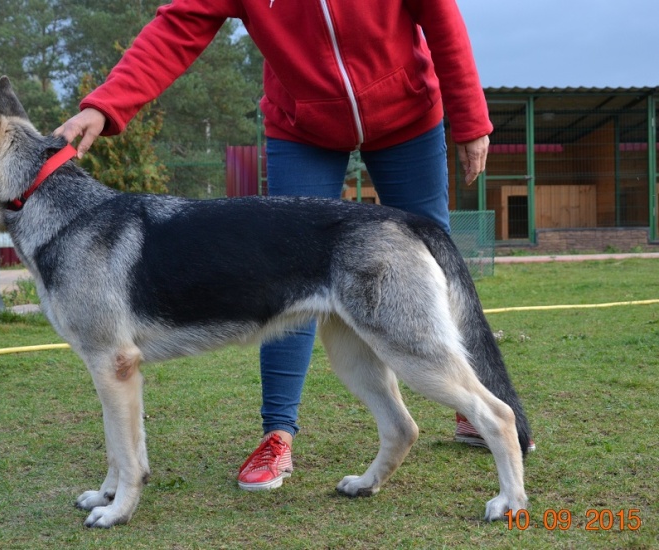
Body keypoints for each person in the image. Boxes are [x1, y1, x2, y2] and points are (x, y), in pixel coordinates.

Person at [55, 0, 513, 493]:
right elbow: (178, 25)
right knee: (278, 278)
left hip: (407, 114)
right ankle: (278, 433)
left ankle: (469, 405)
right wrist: (106, 104)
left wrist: (469, 117)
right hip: (304, 126)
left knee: (429, 271)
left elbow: (439, 15)